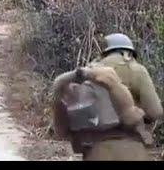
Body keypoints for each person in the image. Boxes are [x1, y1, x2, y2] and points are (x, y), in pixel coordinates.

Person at [53, 33, 163, 161]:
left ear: (105, 52)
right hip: (132, 148)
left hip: (95, 150)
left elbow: (64, 127)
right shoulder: (137, 70)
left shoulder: (88, 72)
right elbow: (156, 112)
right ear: (128, 52)